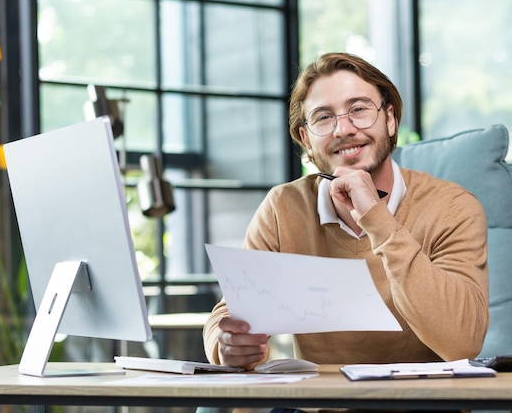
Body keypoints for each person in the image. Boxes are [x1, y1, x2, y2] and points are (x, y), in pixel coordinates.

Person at [202, 52, 489, 370]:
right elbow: (233, 311)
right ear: (306, 140)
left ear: (390, 119)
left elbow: (462, 342)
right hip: (319, 403)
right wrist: (224, 344)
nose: (343, 129)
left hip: (419, 402)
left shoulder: (452, 207)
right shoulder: (282, 207)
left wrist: (377, 218)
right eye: (324, 117)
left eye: (359, 110)